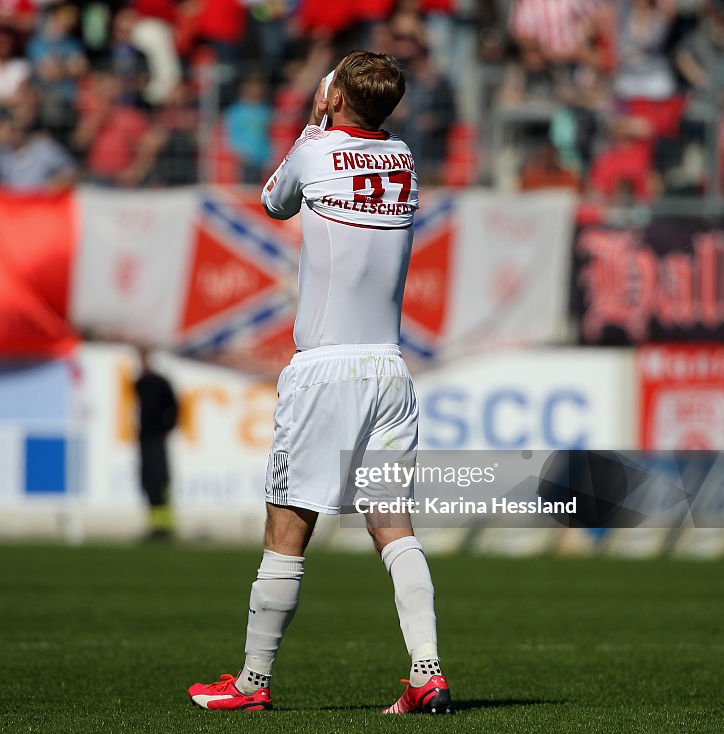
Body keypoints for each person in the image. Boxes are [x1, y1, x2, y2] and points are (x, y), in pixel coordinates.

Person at [187, 50, 451, 715]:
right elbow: (364, 142)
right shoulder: (404, 160)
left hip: (325, 368)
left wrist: (311, 126)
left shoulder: (314, 152)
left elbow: (273, 204)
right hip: (390, 369)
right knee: (395, 526)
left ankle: (251, 683)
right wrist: (337, 111)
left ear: (334, 100)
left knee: (287, 528)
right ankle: (427, 672)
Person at [133, 348, 178, 542]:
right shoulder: (140, 383)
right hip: (145, 438)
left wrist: (165, 428)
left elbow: (174, 408)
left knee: (159, 482)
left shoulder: (159, 383)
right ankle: (156, 525)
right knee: (149, 482)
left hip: (156, 439)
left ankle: (165, 526)